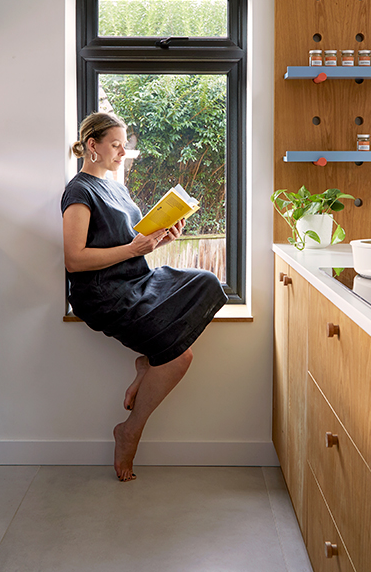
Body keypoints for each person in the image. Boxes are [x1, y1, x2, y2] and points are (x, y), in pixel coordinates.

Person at [61, 112, 228, 482]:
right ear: (93, 146)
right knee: (179, 357)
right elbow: (75, 260)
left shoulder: (117, 187)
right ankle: (130, 430)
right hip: (104, 293)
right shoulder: (79, 191)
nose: (123, 152)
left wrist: (159, 240)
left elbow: (128, 244)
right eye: (116, 144)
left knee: (207, 282)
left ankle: (147, 365)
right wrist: (135, 250)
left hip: (137, 279)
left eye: (125, 145)